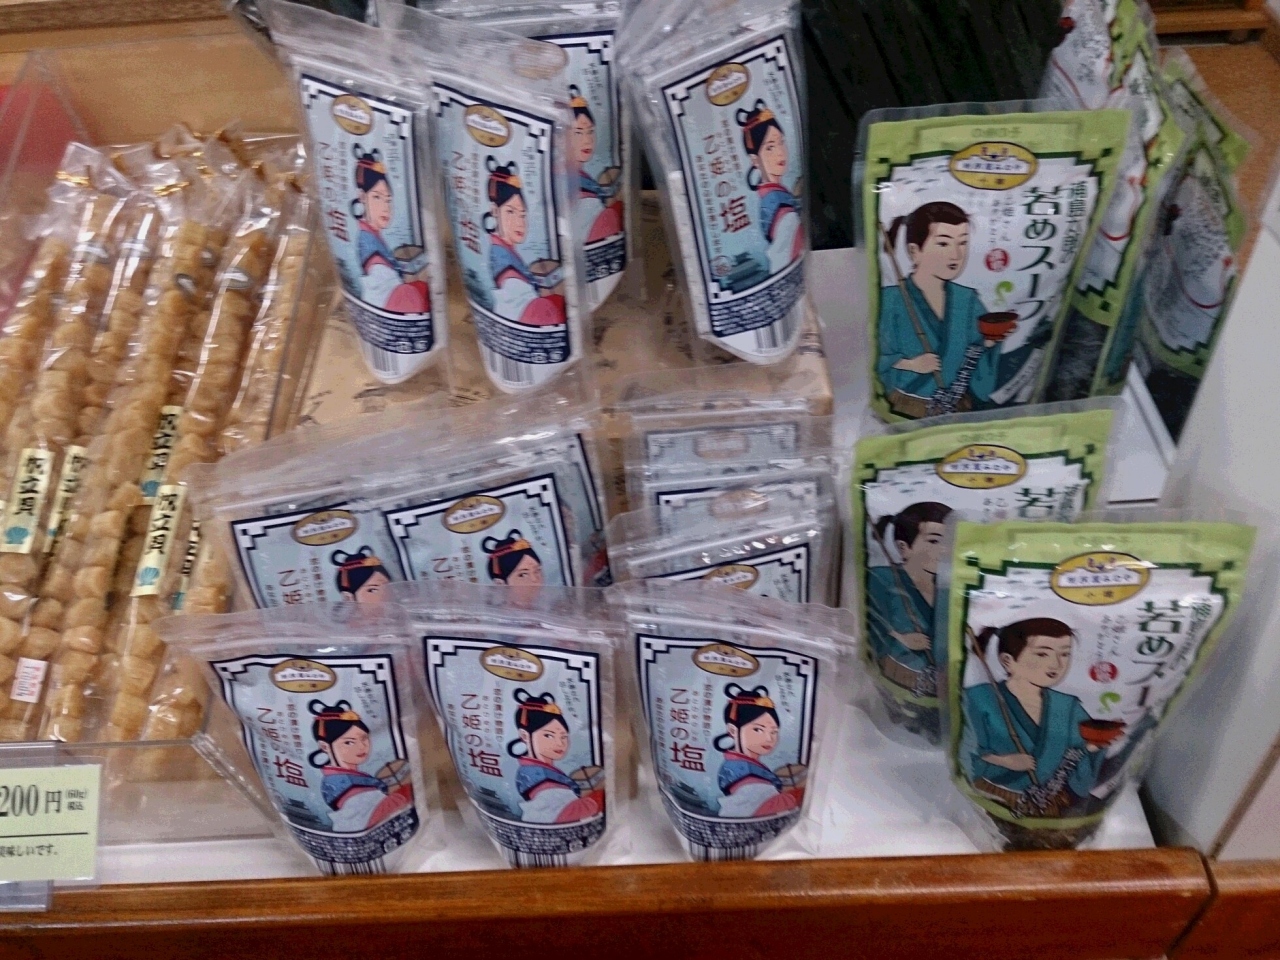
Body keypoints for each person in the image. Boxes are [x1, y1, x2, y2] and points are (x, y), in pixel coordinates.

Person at [964, 618, 1106, 816]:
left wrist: (1093, 747)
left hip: (1053, 801)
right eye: (1042, 654)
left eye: (1064, 654)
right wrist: (1003, 761)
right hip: (997, 797)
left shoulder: (1068, 706)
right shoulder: (979, 698)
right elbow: (966, 753)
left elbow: (1081, 758)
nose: (1056, 664)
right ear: (1008, 661)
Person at [876, 201, 1002, 417]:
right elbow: (875, 355)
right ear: (915, 251)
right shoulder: (891, 300)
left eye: (963, 243)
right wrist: (910, 364)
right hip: (907, 405)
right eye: (943, 244)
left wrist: (990, 342)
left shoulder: (967, 300)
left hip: (957, 405)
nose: (956, 254)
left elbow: (978, 353)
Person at [865, 502, 952, 694]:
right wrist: (900, 639)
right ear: (904, 547)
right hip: (894, 687)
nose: (945, 550)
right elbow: (867, 630)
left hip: (944, 692)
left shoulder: (951, 590)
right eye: (934, 541)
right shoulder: (881, 579)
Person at [308, 699, 413, 833]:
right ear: (324, 746)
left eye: (364, 738)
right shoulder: (342, 783)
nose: (362, 746)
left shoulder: (350, 777)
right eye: (349, 742)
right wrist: (404, 790)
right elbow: (371, 816)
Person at [485, 157, 566, 327]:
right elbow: (522, 308)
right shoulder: (501, 258)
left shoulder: (505, 251)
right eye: (510, 212)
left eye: (522, 215)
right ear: (494, 211)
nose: (520, 222)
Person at [351, 145, 430, 315]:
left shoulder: (372, 235)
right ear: (362, 197)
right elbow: (383, 292)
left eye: (388, 200)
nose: (386, 207)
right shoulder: (367, 241)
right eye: (377, 197)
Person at [508, 690, 602, 824]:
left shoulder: (538, 770)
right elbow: (562, 814)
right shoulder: (540, 776)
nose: (560, 743)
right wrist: (598, 798)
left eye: (564, 736)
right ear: (524, 736)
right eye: (549, 735)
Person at [714, 684, 801, 819]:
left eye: (774, 732)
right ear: (733, 730)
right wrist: (795, 795)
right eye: (758, 729)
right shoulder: (742, 771)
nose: (769, 738)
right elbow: (759, 807)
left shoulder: (744, 765)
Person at [736, 99, 803, 273]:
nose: (780, 152)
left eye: (781, 142)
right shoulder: (777, 204)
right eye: (770, 147)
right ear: (755, 159)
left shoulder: (775, 195)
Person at [568, 85, 623, 244]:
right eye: (578, 132)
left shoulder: (584, 178)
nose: (587, 140)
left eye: (590, 131)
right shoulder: (567, 181)